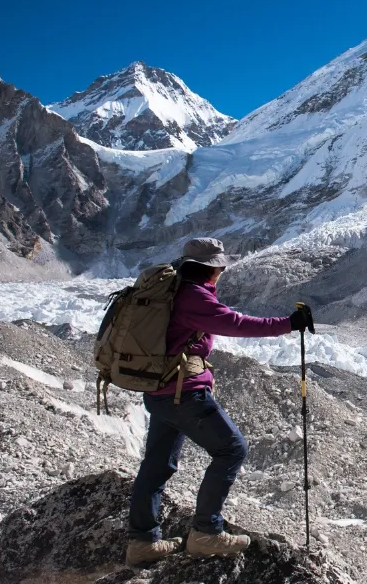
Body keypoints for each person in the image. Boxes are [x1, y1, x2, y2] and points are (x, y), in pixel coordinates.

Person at [125, 237, 313, 566]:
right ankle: (206, 533)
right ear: (212, 269)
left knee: (156, 466)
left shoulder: (173, 291)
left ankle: (142, 543)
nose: (222, 272)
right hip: (185, 394)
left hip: (159, 392)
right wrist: (288, 324)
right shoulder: (193, 297)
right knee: (232, 448)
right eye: (220, 267)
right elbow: (235, 323)